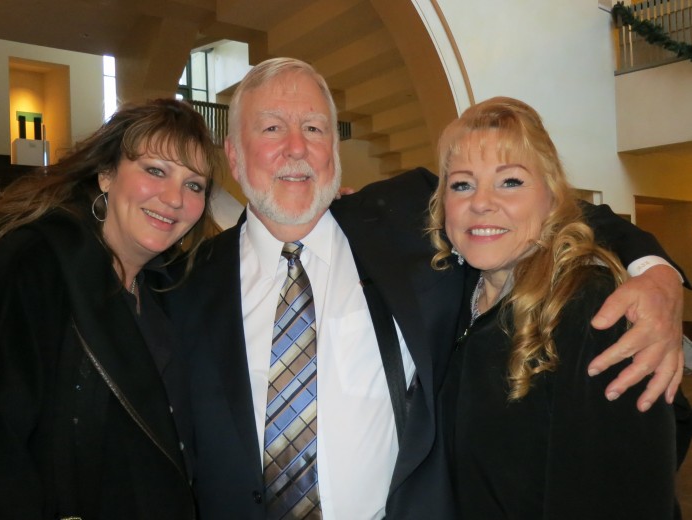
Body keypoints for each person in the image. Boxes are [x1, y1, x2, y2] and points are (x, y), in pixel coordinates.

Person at [168, 58, 684, 520]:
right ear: (233, 156)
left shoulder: (399, 218)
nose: (296, 147)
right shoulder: (184, 282)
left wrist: (656, 271)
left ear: (335, 150)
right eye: (272, 128)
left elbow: (555, 210)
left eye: (314, 127)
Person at [0, 98, 218, 519]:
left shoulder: (168, 287)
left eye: (194, 184)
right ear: (106, 174)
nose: (174, 198)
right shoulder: (37, 264)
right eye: (155, 170)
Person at [431, 97, 676, 518]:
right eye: (462, 184)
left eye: (510, 181)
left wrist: (661, 274)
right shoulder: (455, 291)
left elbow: (628, 496)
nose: (481, 202)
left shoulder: (592, 309)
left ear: (553, 198)